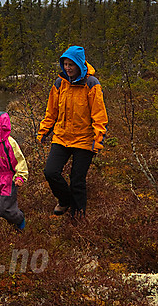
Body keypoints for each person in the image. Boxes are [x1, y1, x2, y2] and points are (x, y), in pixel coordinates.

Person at [36, 46, 108, 217]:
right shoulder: (60, 83)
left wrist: (98, 140)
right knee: (50, 172)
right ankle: (65, 200)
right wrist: (44, 131)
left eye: (71, 65)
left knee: (77, 180)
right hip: (61, 137)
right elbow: (51, 111)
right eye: (65, 64)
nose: (68, 68)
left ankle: (78, 217)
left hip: (84, 140)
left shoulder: (91, 84)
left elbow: (99, 115)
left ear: (80, 65)